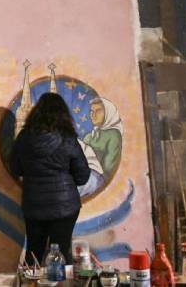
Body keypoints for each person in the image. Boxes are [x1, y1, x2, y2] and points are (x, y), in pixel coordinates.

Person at [10, 92, 91, 264]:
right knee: (61, 253)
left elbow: (15, 168)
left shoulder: (24, 138)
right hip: (65, 206)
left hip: (33, 204)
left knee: (34, 252)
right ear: (63, 114)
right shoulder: (67, 139)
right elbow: (83, 176)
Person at [81, 97, 123, 179]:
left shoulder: (113, 135)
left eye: (98, 111)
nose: (93, 115)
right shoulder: (88, 136)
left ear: (108, 112)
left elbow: (109, 167)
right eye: (91, 111)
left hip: (100, 179)